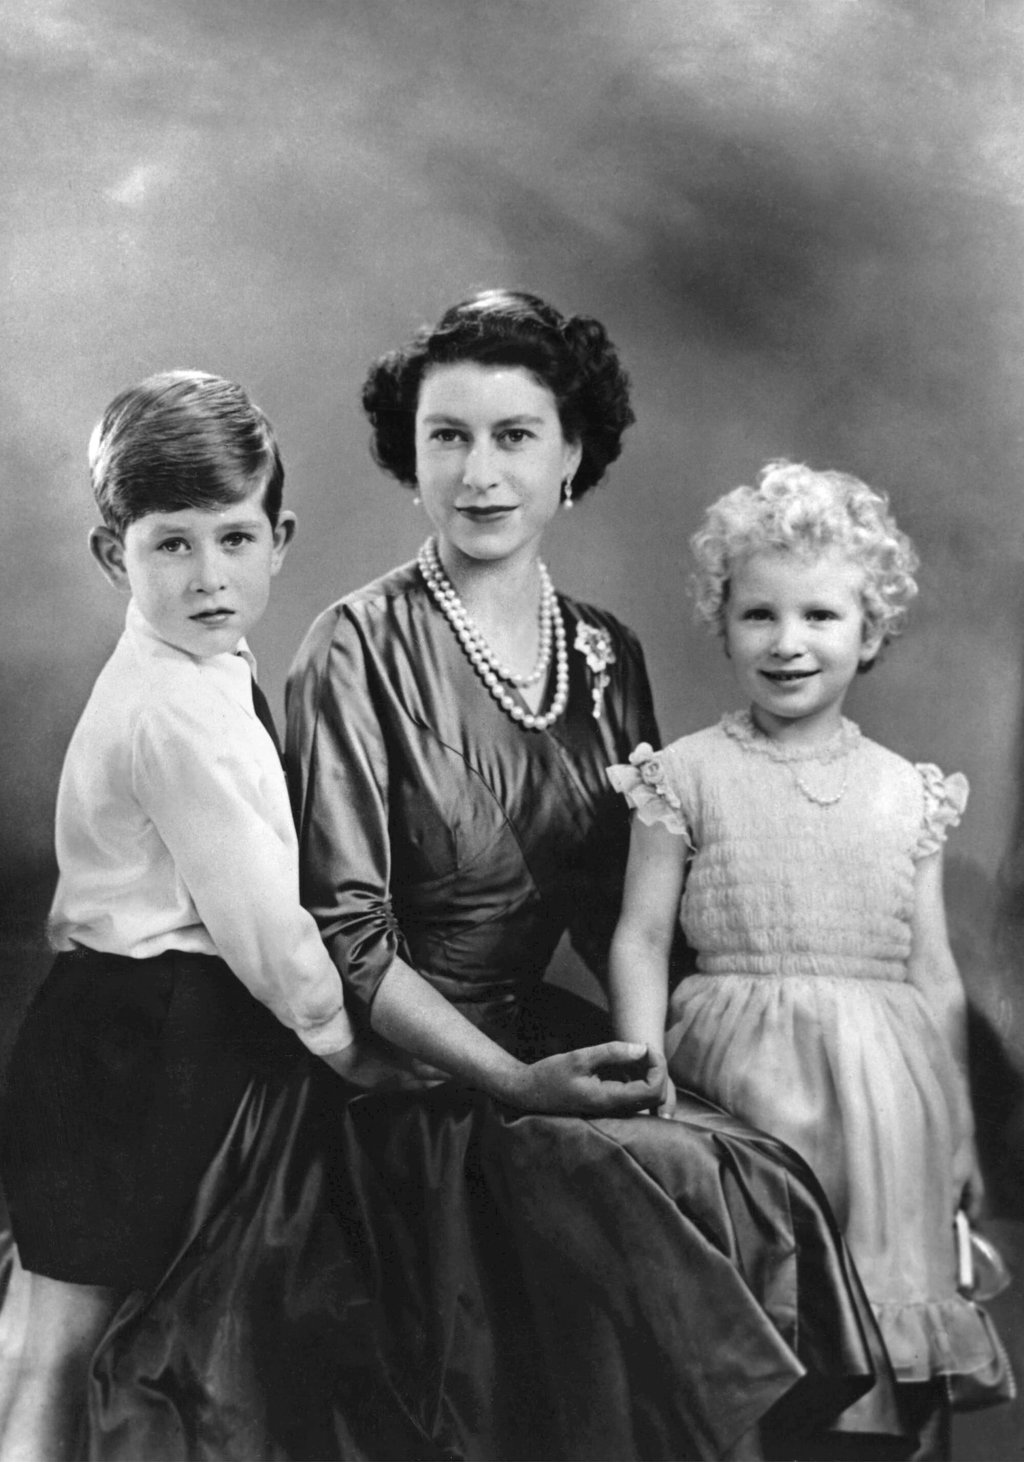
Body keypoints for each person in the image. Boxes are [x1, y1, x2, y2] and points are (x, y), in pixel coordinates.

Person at [282, 293, 899, 1461]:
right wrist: (519, 1085)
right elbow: (348, 944)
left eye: (514, 435)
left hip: (557, 1045)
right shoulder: (353, 646)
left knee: (759, 1178)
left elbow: (634, 913)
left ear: (573, 454)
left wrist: (748, 1050)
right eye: (446, 436)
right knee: (642, 1192)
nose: (478, 473)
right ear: (407, 456)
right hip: (402, 1088)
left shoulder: (603, 654)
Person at [607, 460, 1012, 1460]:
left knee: (886, 1329)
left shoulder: (907, 793)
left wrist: (959, 1129)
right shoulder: (684, 774)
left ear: (869, 632)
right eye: (759, 615)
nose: (788, 643)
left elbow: (933, 973)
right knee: (755, 1337)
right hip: (735, 1089)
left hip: (888, 1107)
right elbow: (641, 938)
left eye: (821, 616)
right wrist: (637, 1067)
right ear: (722, 622)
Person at [0, 371, 355, 1462]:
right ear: (116, 554)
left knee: (85, 1327)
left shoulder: (200, 668)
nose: (211, 577)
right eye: (172, 545)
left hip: (138, 1025)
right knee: (71, 1335)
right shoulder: (174, 714)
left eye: (234, 540)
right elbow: (266, 933)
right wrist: (348, 1044)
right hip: (137, 1038)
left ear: (279, 537)